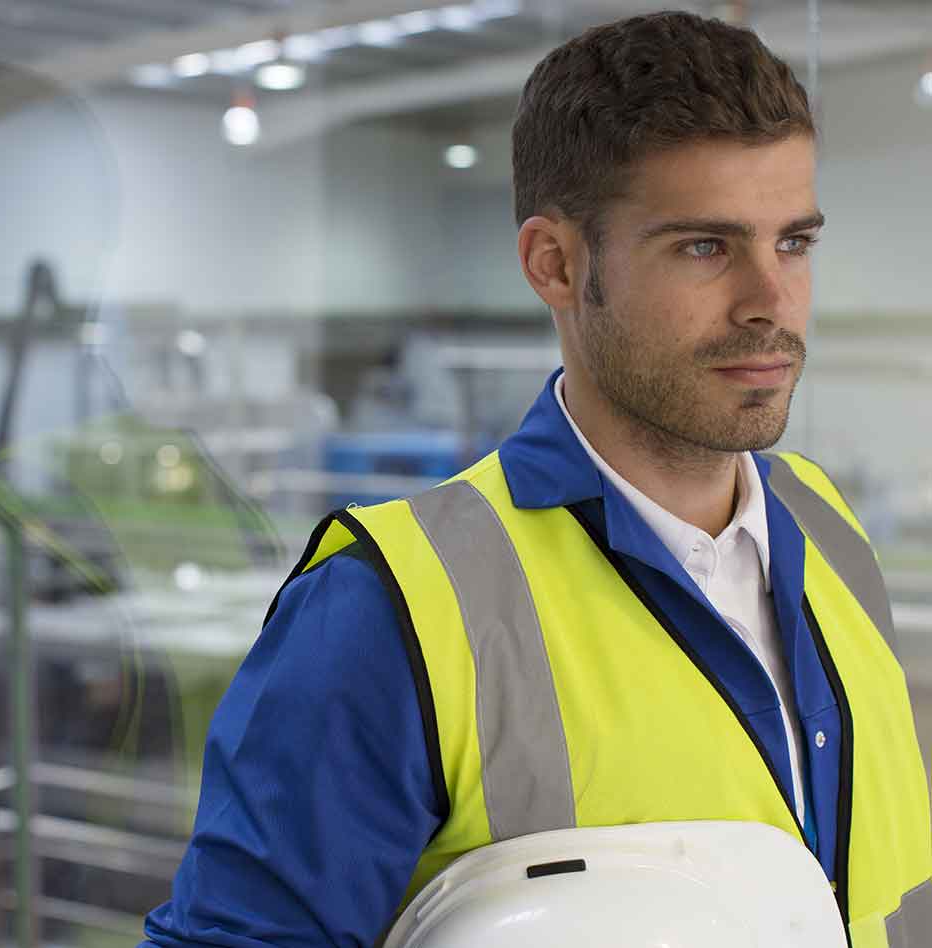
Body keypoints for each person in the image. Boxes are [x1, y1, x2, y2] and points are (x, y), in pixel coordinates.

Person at [140, 11, 931, 947]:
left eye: (793, 242)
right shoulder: (392, 610)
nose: (771, 302)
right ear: (554, 264)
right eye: (705, 247)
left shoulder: (824, 522)